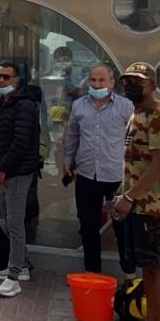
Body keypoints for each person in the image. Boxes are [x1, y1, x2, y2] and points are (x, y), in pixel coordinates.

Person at [112, 62, 160, 321]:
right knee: (147, 267)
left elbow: (159, 163)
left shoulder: (159, 116)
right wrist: (124, 193)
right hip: (139, 202)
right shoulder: (138, 113)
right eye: (128, 81)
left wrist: (130, 196)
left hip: (152, 205)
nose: (131, 86)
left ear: (152, 83)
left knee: (158, 268)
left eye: (138, 81)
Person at [63, 64, 135, 277]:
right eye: (93, 80)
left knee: (122, 227)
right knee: (88, 227)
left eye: (101, 81)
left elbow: (136, 139)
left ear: (111, 83)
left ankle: (129, 274)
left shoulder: (126, 107)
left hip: (116, 177)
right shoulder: (78, 106)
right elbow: (72, 135)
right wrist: (68, 160)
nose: (97, 84)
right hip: (86, 175)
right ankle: (92, 273)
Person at [0, 61, 40, 298]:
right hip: (7, 171)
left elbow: (21, 141)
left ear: (17, 80)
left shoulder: (24, 105)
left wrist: (3, 169)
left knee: (15, 223)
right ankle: (22, 266)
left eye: (6, 77)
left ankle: (14, 276)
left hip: (16, 173)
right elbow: (9, 134)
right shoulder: (7, 102)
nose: (0, 81)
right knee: (9, 221)